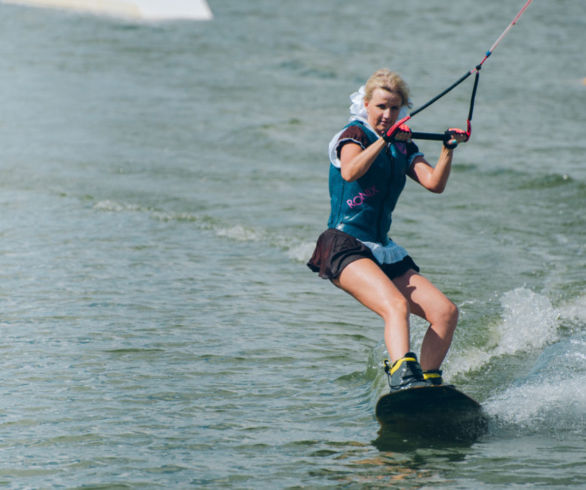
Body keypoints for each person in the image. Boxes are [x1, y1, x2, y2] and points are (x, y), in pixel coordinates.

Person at [307, 68, 468, 391]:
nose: (387, 114)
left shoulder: (402, 146)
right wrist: (384, 139)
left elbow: (434, 184)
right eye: (381, 106)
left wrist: (448, 149)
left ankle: (427, 382)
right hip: (344, 244)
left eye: (394, 108)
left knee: (446, 312)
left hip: (383, 249)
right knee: (395, 305)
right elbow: (351, 171)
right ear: (366, 104)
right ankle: (401, 377)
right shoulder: (353, 136)